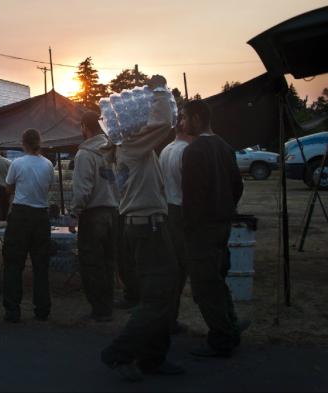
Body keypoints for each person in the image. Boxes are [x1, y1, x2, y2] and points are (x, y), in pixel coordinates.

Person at [101, 75, 184, 381]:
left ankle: (153, 357)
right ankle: (119, 352)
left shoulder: (128, 148)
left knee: (162, 293)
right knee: (157, 297)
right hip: (147, 227)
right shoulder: (132, 146)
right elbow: (163, 123)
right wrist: (160, 91)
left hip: (143, 226)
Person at [180, 100, 246, 358]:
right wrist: (226, 208)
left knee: (205, 287)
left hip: (201, 230)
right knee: (217, 280)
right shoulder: (225, 147)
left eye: (184, 118)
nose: (182, 124)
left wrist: (188, 228)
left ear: (197, 118)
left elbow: (192, 198)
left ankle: (221, 338)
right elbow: (237, 186)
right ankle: (230, 326)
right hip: (222, 226)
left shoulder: (194, 151)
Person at [68, 111, 119, 322]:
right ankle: (109, 303)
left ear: (84, 127)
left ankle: (100, 309)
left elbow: (82, 189)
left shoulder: (84, 153)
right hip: (114, 213)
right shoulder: (113, 149)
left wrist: (74, 213)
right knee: (109, 262)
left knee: (91, 262)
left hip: (93, 214)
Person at [2, 128, 54, 323]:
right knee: (41, 265)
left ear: (23, 143)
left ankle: (12, 310)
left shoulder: (17, 163)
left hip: (21, 214)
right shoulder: (48, 164)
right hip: (41, 215)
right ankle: (42, 310)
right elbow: (48, 187)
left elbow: (9, 187)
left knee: (14, 263)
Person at [158, 116, 193, 333]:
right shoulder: (185, 151)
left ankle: (170, 315)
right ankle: (170, 318)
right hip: (181, 209)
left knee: (173, 266)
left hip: (168, 209)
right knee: (181, 267)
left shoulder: (165, 150)